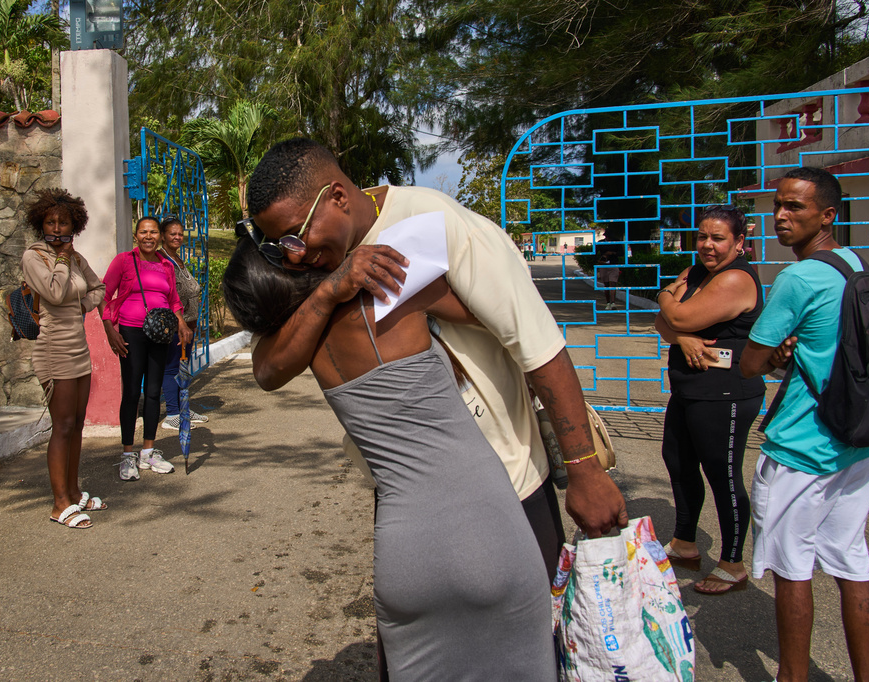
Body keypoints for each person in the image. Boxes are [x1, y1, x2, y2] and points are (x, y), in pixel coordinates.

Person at [245, 138, 626, 570]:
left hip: (510, 483)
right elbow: (269, 369)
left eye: (297, 234)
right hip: (409, 504)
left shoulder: (433, 221)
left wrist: (585, 471)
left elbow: (539, 346)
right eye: (280, 245)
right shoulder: (311, 265)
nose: (294, 254)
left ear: (336, 197)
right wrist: (331, 290)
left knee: (533, 630)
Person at [223, 235, 554, 680]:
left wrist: (323, 293)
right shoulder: (388, 287)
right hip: (485, 522)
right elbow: (503, 316)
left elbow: (265, 372)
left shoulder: (293, 344)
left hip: (403, 550)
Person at [740, 167, 869, 682]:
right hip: (856, 443)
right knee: (851, 562)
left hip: (802, 447)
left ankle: (791, 676)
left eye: (795, 207)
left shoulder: (797, 277)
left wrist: (777, 353)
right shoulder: (858, 265)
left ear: (828, 215)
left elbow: (751, 363)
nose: (780, 215)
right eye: (777, 204)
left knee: (793, 568)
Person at [654, 205, 764, 595]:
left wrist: (667, 298)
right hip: (689, 389)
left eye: (718, 238)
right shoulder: (698, 272)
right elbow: (665, 324)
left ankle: (733, 564)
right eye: (702, 236)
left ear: (739, 242)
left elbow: (674, 316)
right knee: (679, 463)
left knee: (723, 474)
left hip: (725, 395)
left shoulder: (735, 279)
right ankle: (684, 544)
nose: (707, 245)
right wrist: (680, 333)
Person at [21, 189, 106, 529]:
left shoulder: (77, 257)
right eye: (50, 222)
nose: (57, 229)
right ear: (40, 224)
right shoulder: (35, 256)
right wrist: (62, 263)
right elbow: (54, 292)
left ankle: (73, 491)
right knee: (63, 426)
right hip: (53, 349)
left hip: (78, 347)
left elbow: (98, 288)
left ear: (75, 223)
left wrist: (79, 303)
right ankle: (59, 504)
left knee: (77, 424)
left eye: (63, 222)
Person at [102, 216, 194, 481]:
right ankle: (127, 454)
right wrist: (111, 331)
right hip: (131, 332)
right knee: (132, 393)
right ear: (136, 235)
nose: (149, 236)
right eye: (144, 232)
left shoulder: (166, 264)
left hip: (160, 333)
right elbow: (104, 297)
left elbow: (173, 300)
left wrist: (181, 325)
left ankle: (148, 451)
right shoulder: (124, 261)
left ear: (159, 237)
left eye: (153, 232)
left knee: (154, 393)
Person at [157, 215, 208, 431]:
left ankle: (183, 408)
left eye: (180, 234)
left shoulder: (177, 258)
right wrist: (180, 323)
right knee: (171, 368)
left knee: (183, 367)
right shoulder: (161, 260)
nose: (178, 237)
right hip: (176, 325)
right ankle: (172, 414)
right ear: (163, 236)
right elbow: (167, 294)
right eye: (173, 234)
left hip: (189, 323)